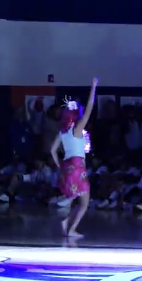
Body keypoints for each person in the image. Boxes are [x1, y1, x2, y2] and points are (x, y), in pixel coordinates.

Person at [50, 78, 98, 238]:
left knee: (80, 200)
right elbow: (90, 107)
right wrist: (93, 87)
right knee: (85, 203)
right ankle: (71, 229)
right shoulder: (78, 130)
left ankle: (67, 222)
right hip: (78, 166)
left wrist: (59, 166)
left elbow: (52, 151)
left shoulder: (62, 132)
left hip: (67, 167)